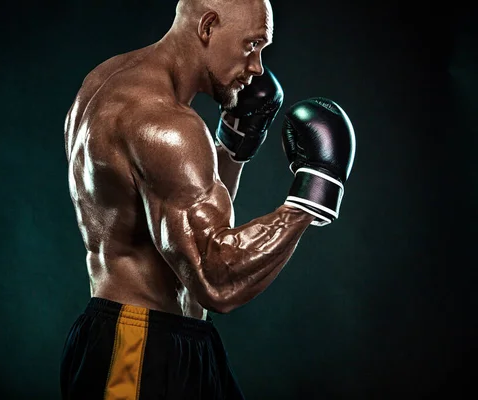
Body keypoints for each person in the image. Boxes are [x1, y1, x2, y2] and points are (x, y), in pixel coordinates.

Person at [60, 0, 356, 398]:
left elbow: (183, 220)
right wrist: (314, 191)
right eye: (252, 46)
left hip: (173, 339)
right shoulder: (163, 124)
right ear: (208, 26)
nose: (257, 68)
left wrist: (232, 148)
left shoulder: (105, 81)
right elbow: (216, 279)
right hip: (137, 348)